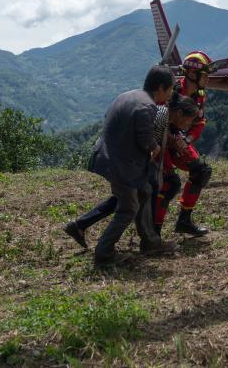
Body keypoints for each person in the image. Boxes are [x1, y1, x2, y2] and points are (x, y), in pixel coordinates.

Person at [64, 92, 199, 254]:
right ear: (179, 113)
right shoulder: (162, 115)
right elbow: (148, 142)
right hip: (130, 163)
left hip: (129, 162)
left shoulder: (165, 117)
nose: (189, 124)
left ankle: (81, 225)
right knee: (137, 198)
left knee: (128, 198)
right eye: (190, 120)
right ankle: (137, 243)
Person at [69, 65, 175, 267]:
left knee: (144, 190)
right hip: (119, 165)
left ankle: (151, 242)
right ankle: (104, 253)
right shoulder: (148, 106)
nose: (169, 95)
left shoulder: (128, 95)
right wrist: (154, 148)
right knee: (128, 208)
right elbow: (145, 138)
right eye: (169, 89)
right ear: (161, 87)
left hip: (106, 157)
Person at [154, 51, 215, 237]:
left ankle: (184, 221)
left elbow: (199, 122)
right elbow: (159, 123)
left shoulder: (199, 95)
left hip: (181, 141)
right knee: (169, 182)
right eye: (205, 75)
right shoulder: (171, 92)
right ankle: (154, 230)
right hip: (161, 141)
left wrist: (186, 140)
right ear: (192, 74)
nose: (208, 79)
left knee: (201, 171)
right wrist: (175, 139)